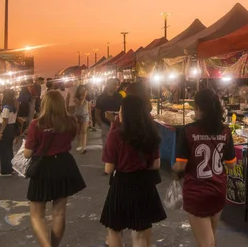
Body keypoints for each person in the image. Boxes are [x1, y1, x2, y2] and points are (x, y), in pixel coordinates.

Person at [173, 89, 237, 247]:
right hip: (218, 190)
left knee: (206, 243)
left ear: (198, 108)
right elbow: (232, 164)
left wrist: (173, 170)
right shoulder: (225, 131)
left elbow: (180, 165)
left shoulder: (187, 131)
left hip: (197, 193)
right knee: (210, 238)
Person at [100, 95, 166, 247]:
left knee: (115, 229)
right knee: (140, 233)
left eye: (121, 110)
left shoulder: (115, 135)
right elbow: (156, 165)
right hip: (144, 185)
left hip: (122, 185)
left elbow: (108, 169)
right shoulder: (151, 133)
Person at [24, 91, 86, 247]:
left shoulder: (37, 124)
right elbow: (72, 138)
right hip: (64, 165)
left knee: (37, 214)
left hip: (43, 167)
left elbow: (27, 153)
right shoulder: (70, 122)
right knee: (59, 212)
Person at [95, 79, 123, 148]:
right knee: (107, 144)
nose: (115, 87)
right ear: (108, 85)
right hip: (105, 123)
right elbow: (97, 111)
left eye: (116, 85)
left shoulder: (119, 96)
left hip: (117, 123)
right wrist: (100, 123)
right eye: (113, 85)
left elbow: (122, 108)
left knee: (117, 143)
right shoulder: (101, 97)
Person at [0, 89, 18, 177]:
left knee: (3, 150)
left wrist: (1, 132)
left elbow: (5, 121)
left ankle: (6, 171)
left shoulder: (6, 107)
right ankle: (10, 168)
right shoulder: (14, 105)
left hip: (6, 128)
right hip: (12, 128)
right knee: (9, 149)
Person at [74, 85, 90, 153]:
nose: (83, 91)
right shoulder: (76, 98)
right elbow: (80, 104)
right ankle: (79, 144)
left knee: (84, 131)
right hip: (78, 115)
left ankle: (84, 147)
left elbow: (89, 107)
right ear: (78, 90)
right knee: (78, 131)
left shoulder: (87, 97)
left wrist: (91, 118)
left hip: (85, 115)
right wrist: (84, 96)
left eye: (84, 89)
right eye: (81, 89)